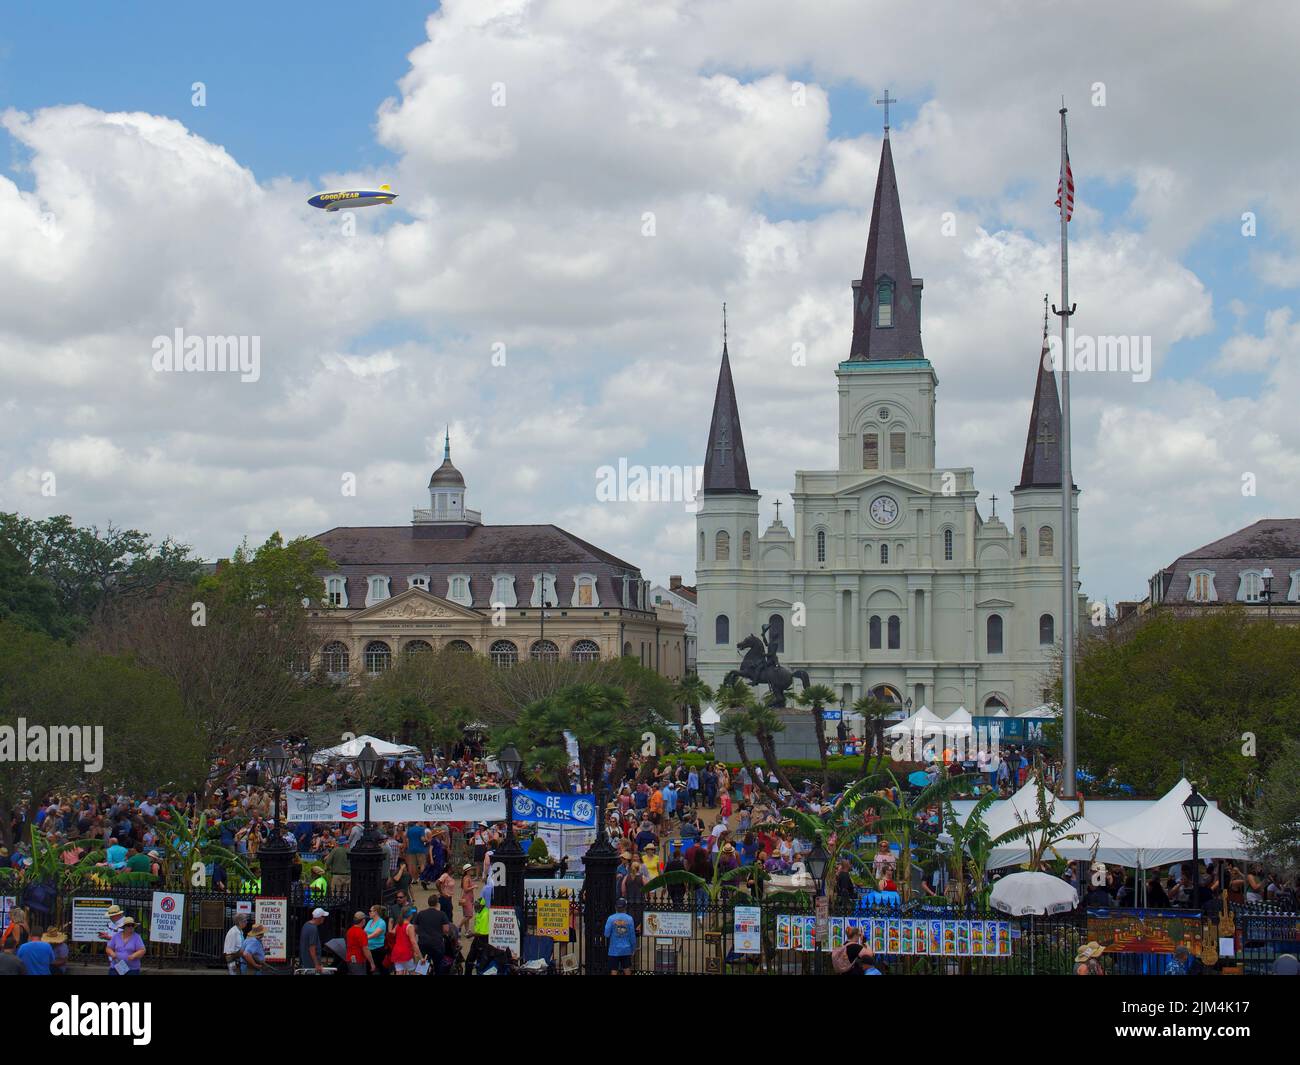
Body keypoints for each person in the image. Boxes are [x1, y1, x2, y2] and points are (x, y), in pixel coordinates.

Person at [415, 896, 453, 974]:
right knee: (438, 965)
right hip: (437, 944)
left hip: (423, 943)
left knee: (423, 965)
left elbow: (415, 928)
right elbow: (446, 930)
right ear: (437, 904)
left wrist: (422, 933)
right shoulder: (442, 914)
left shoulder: (420, 913)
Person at [604, 899, 637, 975]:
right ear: (625, 907)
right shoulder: (629, 918)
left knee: (614, 970)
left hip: (614, 949)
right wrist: (633, 948)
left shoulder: (611, 918)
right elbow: (632, 936)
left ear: (615, 907)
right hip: (626, 948)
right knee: (627, 968)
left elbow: (606, 934)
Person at [300, 907, 328, 973]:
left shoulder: (306, 925)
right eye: (323, 916)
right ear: (320, 918)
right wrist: (317, 964)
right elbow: (312, 948)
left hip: (306, 962)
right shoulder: (313, 929)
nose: (324, 919)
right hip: (310, 964)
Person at [365, 905, 389, 974]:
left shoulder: (382, 922)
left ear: (375, 912)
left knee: (382, 969)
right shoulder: (370, 921)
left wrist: (364, 938)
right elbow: (364, 932)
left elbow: (375, 934)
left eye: (370, 911)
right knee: (369, 969)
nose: (369, 912)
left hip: (378, 950)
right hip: (369, 949)